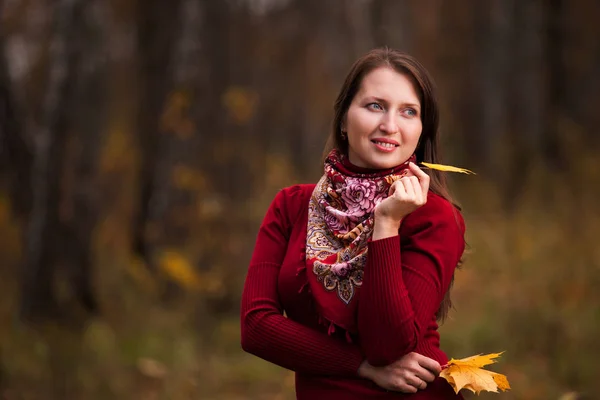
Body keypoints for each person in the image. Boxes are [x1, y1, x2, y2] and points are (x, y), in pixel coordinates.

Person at [241, 48, 466, 399]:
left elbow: (388, 346)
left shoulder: (434, 217)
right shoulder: (291, 206)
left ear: (421, 132)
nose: (389, 125)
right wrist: (360, 367)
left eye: (408, 111)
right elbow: (256, 326)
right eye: (375, 105)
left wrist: (387, 224)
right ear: (344, 120)